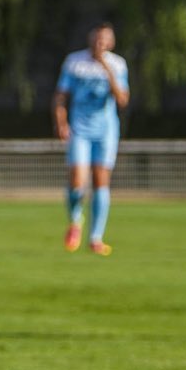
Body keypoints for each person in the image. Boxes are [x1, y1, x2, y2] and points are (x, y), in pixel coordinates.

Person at [52, 22, 130, 256]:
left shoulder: (117, 64)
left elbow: (122, 100)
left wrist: (106, 68)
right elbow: (60, 96)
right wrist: (61, 122)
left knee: (100, 181)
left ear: (111, 42)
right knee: (77, 181)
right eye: (97, 38)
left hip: (105, 131)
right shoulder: (74, 62)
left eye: (105, 39)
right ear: (90, 39)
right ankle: (75, 220)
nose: (100, 43)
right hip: (80, 129)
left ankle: (96, 238)